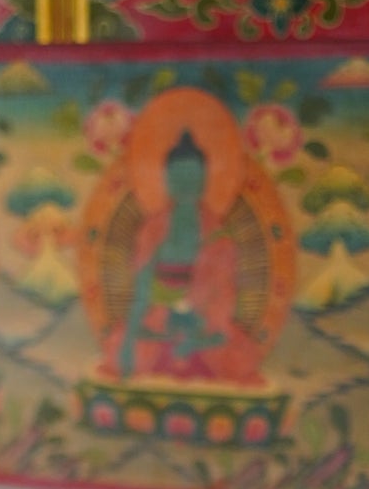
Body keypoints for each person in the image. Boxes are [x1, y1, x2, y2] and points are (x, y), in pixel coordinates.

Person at [113, 130, 264, 383]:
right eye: (178, 177)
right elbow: (141, 294)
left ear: (205, 181)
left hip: (204, 330)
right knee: (119, 347)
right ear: (167, 180)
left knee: (242, 357)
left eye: (193, 177)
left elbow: (224, 301)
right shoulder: (152, 231)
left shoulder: (219, 239)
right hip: (158, 326)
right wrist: (130, 340)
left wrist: (200, 332)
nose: (186, 185)